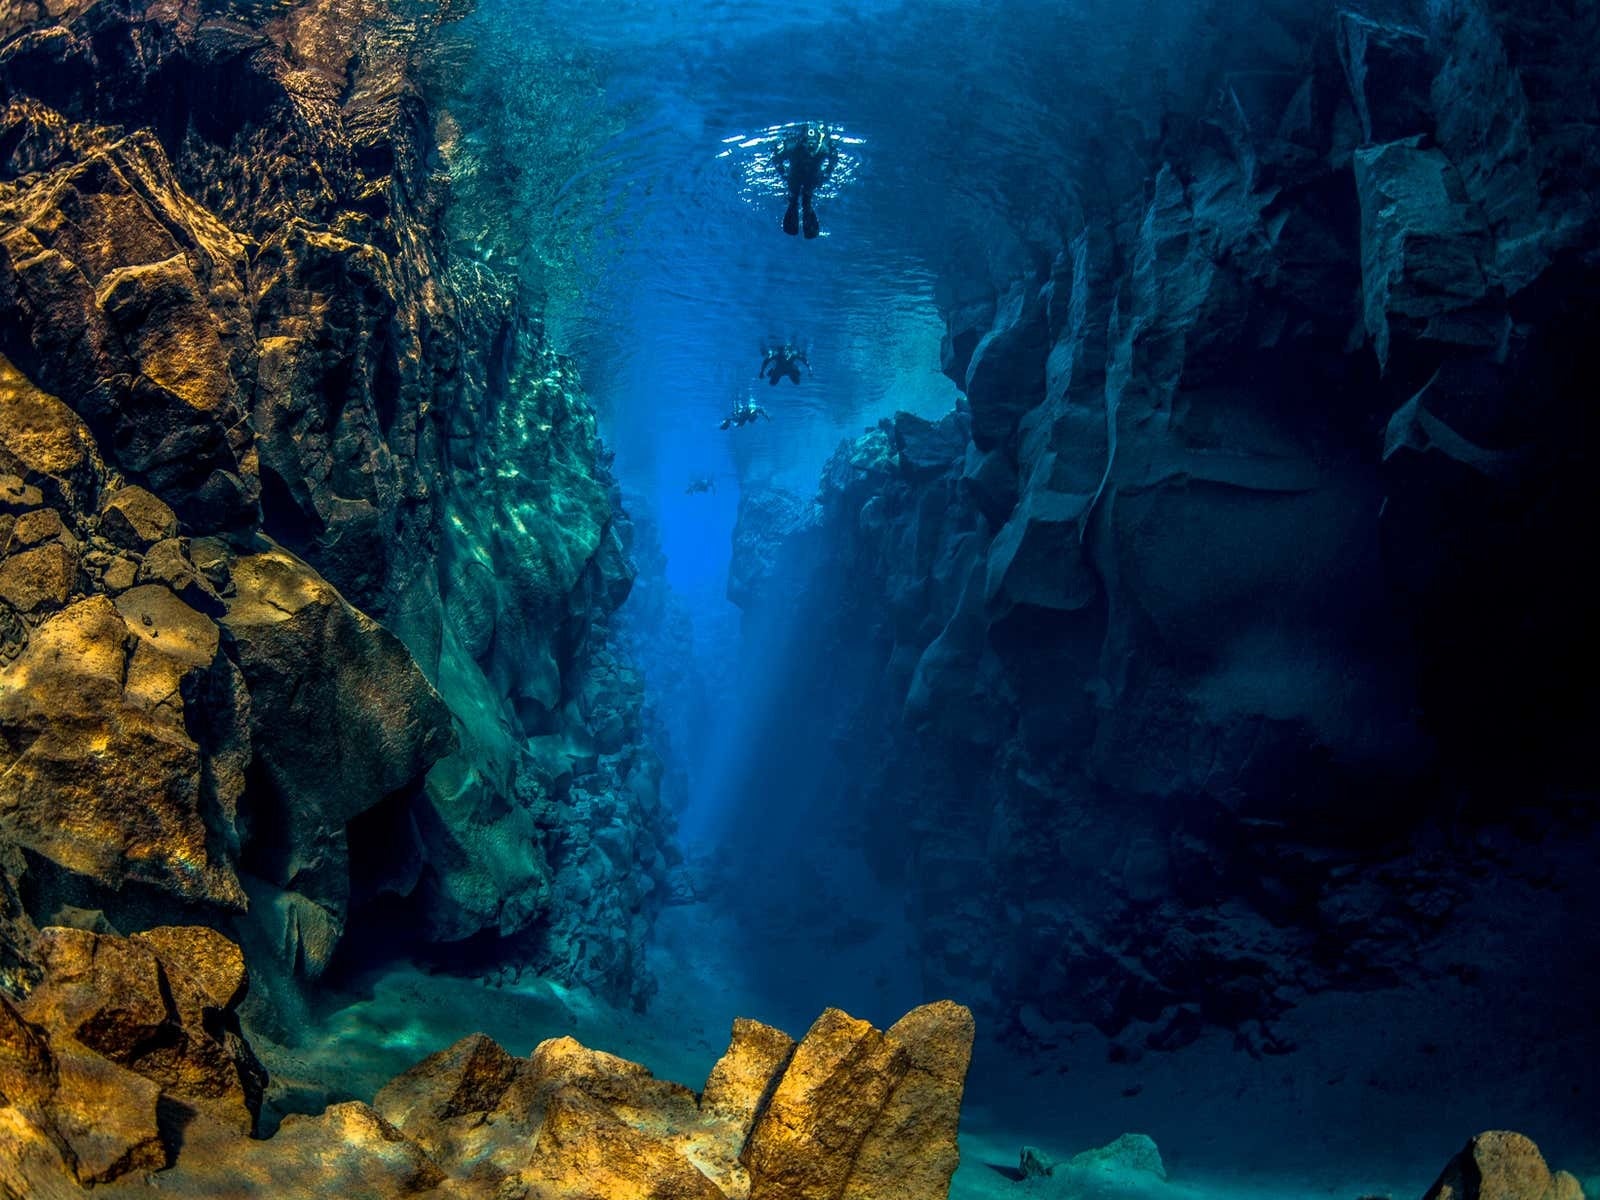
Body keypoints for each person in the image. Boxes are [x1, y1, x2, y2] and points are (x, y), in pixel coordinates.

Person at [771, 123, 838, 238]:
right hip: (809, 178)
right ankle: (802, 212)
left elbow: (776, 158)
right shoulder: (822, 148)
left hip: (797, 177)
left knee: (797, 200)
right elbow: (834, 158)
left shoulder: (792, 147)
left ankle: (798, 210)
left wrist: (783, 174)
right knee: (804, 200)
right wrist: (826, 174)